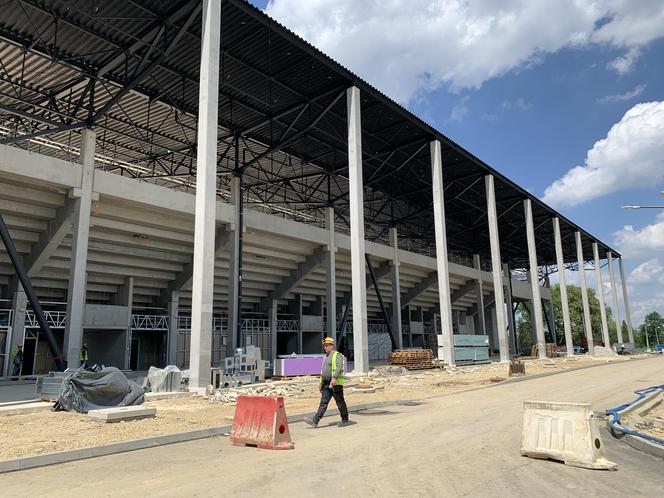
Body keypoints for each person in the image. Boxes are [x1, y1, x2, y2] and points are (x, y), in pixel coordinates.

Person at [304, 337, 350, 428]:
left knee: (340, 402)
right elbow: (323, 371)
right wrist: (321, 383)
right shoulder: (326, 357)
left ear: (332, 346)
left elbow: (338, 367)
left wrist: (334, 378)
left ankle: (345, 419)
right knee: (323, 402)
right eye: (324, 346)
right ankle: (315, 420)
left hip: (335, 383)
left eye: (327, 345)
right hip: (326, 383)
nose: (325, 347)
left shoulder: (337, 355)